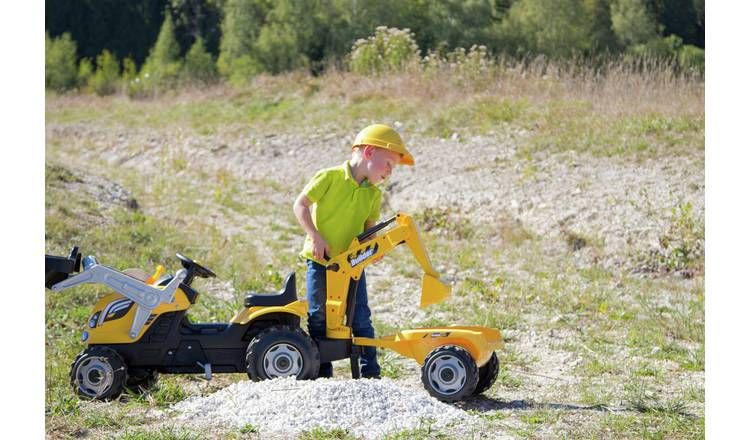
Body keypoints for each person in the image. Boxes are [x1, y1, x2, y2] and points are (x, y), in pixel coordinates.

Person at [292, 123, 414, 378]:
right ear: (369, 152)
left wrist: (375, 249)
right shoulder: (329, 177)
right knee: (319, 317)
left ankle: (370, 374)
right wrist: (315, 236)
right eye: (388, 164)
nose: (389, 173)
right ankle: (320, 373)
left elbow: (368, 233)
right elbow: (300, 205)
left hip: (352, 266)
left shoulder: (373, 195)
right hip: (320, 261)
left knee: (360, 318)